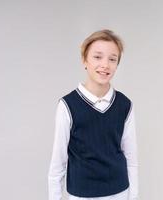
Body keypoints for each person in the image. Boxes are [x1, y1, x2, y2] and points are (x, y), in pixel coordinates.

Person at [48, 29, 138, 200]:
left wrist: (133, 196)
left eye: (112, 59)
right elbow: (58, 163)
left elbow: (131, 158)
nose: (105, 65)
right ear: (84, 60)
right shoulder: (67, 105)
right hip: (82, 195)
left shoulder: (125, 105)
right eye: (97, 57)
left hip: (120, 192)